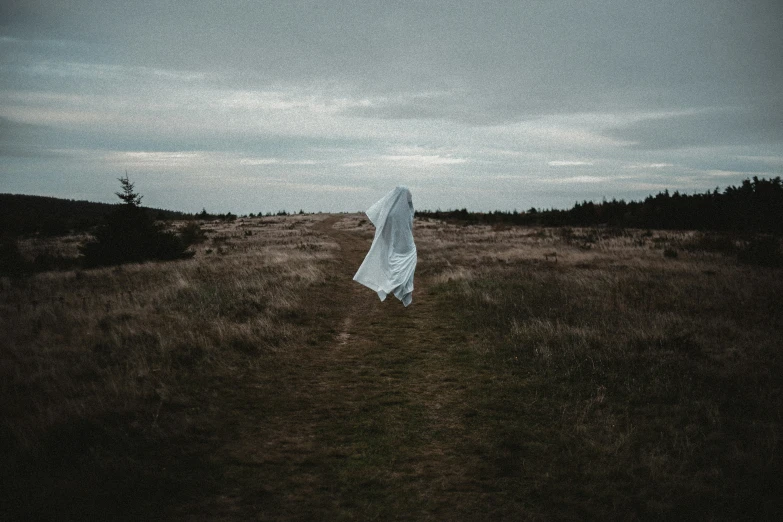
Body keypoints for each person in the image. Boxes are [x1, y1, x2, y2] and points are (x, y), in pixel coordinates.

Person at [353, 186, 417, 306]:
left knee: (400, 270)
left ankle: (400, 291)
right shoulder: (400, 212)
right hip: (404, 245)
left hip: (403, 246)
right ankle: (401, 292)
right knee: (402, 271)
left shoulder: (393, 210)